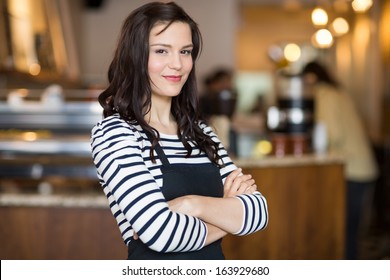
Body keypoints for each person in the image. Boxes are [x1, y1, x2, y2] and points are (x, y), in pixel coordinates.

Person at [90, 1, 268, 260]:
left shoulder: (202, 133)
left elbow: (258, 213)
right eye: (162, 51)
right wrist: (227, 213)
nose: (177, 64)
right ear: (135, 56)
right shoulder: (115, 133)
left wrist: (191, 204)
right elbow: (160, 233)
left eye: (185, 51)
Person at [301, 61, 379, 259]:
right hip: (362, 166)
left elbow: (333, 134)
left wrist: (312, 140)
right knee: (351, 229)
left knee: (346, 229)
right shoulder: (338, 92)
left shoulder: (324, 95)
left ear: (311, 79)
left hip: (352, 168)